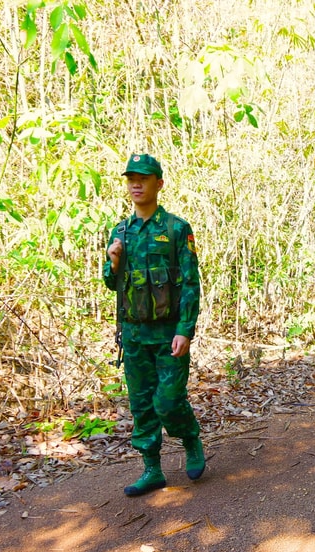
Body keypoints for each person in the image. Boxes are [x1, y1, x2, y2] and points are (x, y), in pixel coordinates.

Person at [103, 153, 205, 496]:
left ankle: (190, 438)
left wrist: (184, 329)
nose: (136, 183)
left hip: (168, 334)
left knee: (169, 401)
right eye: (131, 177)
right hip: (133, 335)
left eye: (143, 178)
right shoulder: (120, 231)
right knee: (142, 405)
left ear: (158, 184)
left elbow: (191, 283)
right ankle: (152, 470)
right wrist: (113, 262)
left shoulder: (176, 229)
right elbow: (110, 282)